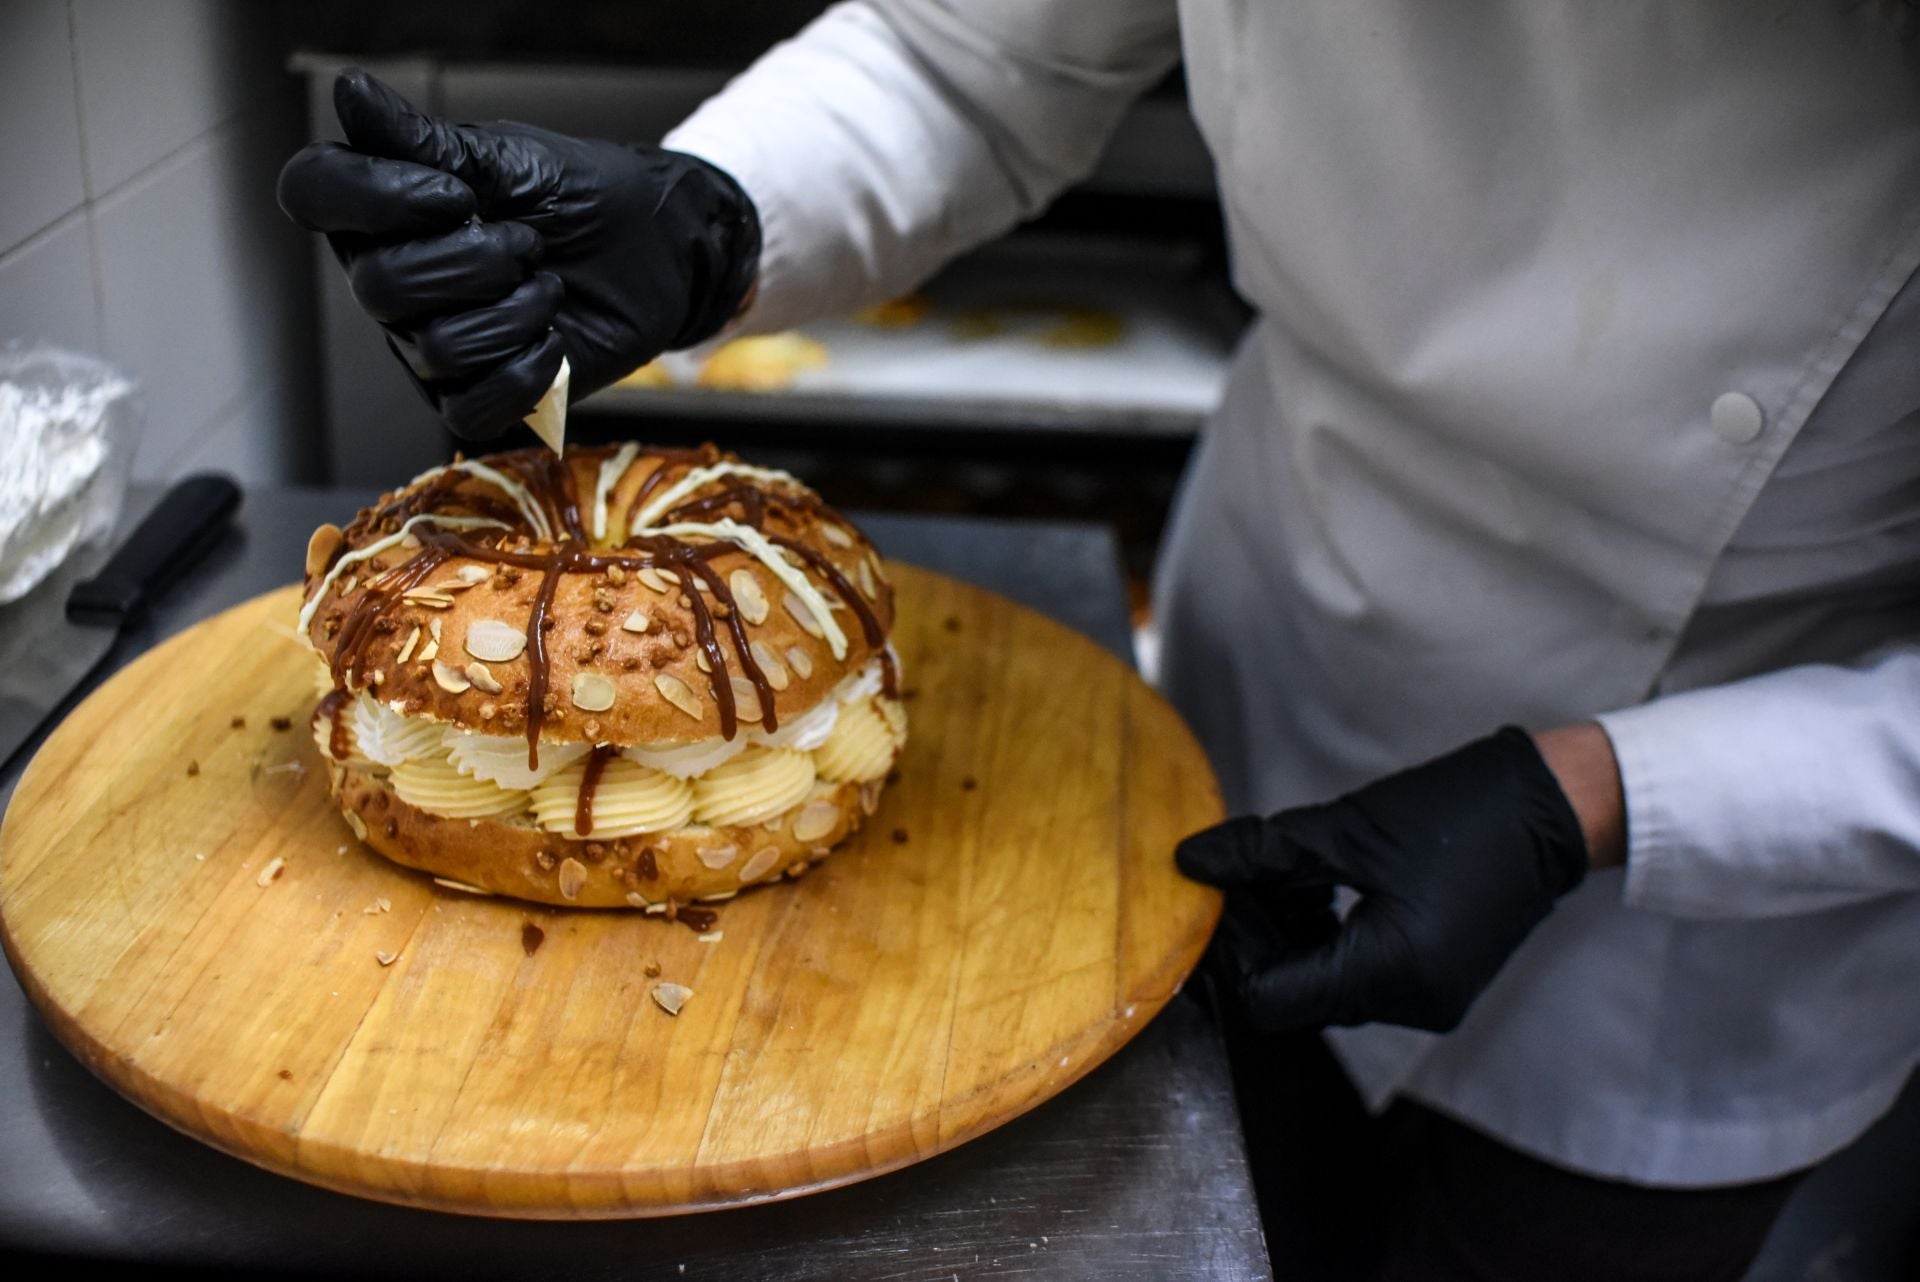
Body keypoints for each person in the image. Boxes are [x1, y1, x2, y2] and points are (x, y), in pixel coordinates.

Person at [277, 5, 1920, 1277]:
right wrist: (713, 213)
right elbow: (974, 55)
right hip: (1262, 658)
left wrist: (1605, 794)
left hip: (1729, 867)